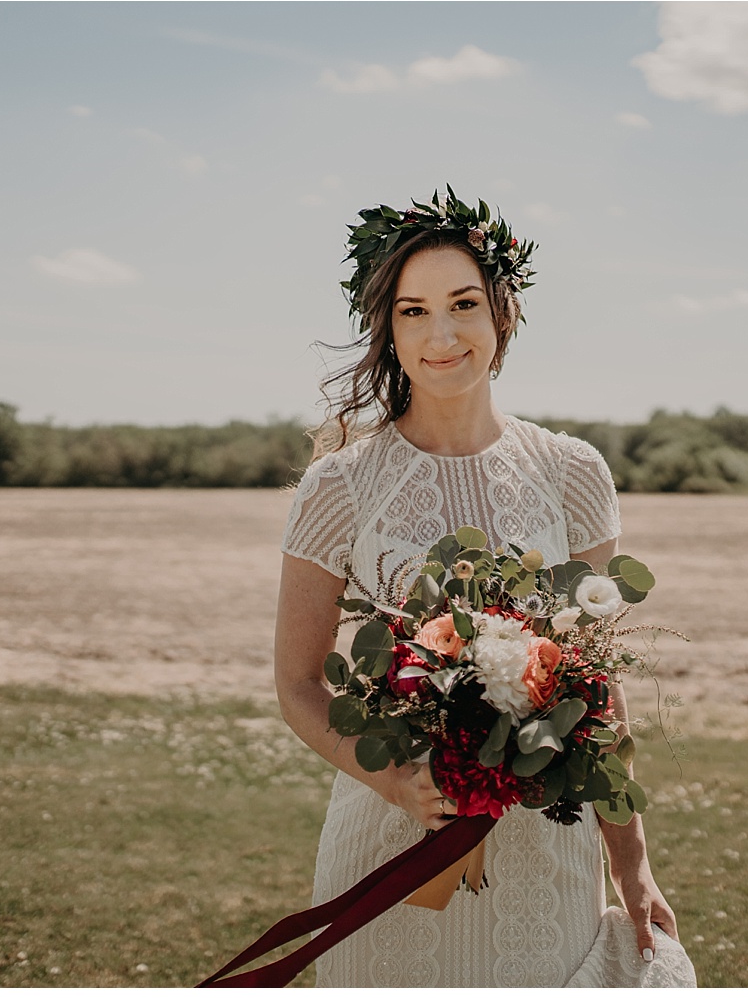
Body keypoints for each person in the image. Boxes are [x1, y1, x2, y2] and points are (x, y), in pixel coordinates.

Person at [274, 189, 696, 987]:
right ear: (388, 330)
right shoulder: (340, 486)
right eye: (413, 310)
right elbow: (296, 683)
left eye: (464, 303)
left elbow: (599, 693)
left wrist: (632, 867)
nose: (442, 334)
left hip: (548, 851)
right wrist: (394, 782)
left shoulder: (572, 474)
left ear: (503, 313)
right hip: (391, 843)